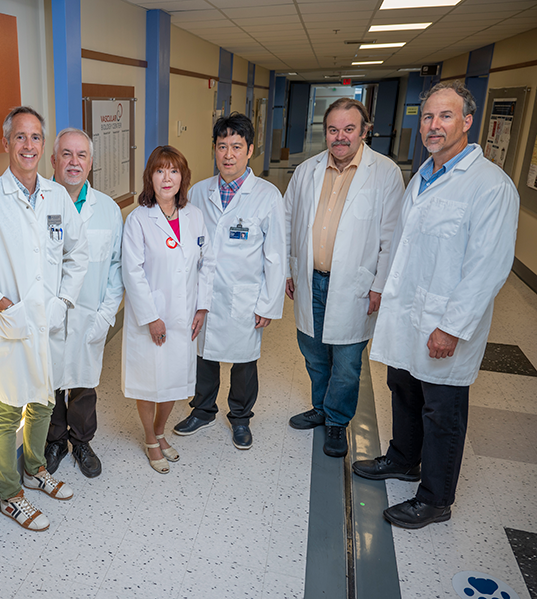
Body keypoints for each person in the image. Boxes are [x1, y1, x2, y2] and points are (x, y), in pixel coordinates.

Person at [354, 81, 519, 529]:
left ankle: (435, 499)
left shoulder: (490, 186)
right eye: (427, 116)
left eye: (445, 116)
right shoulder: (425, 175)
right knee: (404, 391)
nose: (433, 125)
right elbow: (407, 248)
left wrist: (451, 327)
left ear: (467, 122)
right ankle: (404, 460)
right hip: (407, 316)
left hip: (444, 324)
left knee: (442, 411)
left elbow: (488, 268)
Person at [0, 107, 88, 531]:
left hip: (48, 321)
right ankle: (11, 494)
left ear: (43, 147)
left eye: (36, 137)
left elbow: (77, 254)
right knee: (8, 412)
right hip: (11, 325)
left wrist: (64, 300)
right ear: (6, 143)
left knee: (44, 400)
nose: (29, 145)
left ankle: (36, 467)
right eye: (20, 137)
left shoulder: (56, 196)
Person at [284, 98, 404, 457]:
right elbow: (288, 223)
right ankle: (320, 408)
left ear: (364, 130)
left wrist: (379, 285)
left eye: (349, 129)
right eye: (333, 129)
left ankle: (337, 421)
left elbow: (391, 237)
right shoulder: (307, 170)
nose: (340, 137)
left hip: (355, 285)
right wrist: (291, 269)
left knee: (348, 361)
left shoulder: (384, 173)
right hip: (310, 279)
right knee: (313, 353)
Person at [172, 112, 286, 450]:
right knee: (203, 355)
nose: (228, 155)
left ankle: (240, 418)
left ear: (250, 150)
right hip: (205, 293)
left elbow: (276, 255)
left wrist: (268, 303)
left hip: (245, 296)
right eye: (222, 146)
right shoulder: (199, 192)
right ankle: (203, 409)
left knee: (244, 362)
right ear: (215, 149)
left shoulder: (267, 196)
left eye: (236, 146)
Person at [121, 145, 213, 474]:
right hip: (152, 318)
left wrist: (202, 307)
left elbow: (207, 264)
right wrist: (151, 317)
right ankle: (149, 438)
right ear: (150, 177)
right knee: (149, 381)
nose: (167, 177)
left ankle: (161, 432)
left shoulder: (194, 216)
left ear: (182, 177)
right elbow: (131, 272)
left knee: (174, 379)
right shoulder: (138, 220)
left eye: (173, 171)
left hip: (185, 315)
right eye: (160, 171)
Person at [44, 128, 124, 478]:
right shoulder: (36, 205)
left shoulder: (106, 210)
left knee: (83, 386)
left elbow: (117, 267)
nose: (74, 162)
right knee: (48, 387)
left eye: (81, 156)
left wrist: (105, 317)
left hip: (90, 315)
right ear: (54, 160)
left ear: (91, 162)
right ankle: (55, 440)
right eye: (66, 154)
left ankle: (82, 441)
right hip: (46, 316)